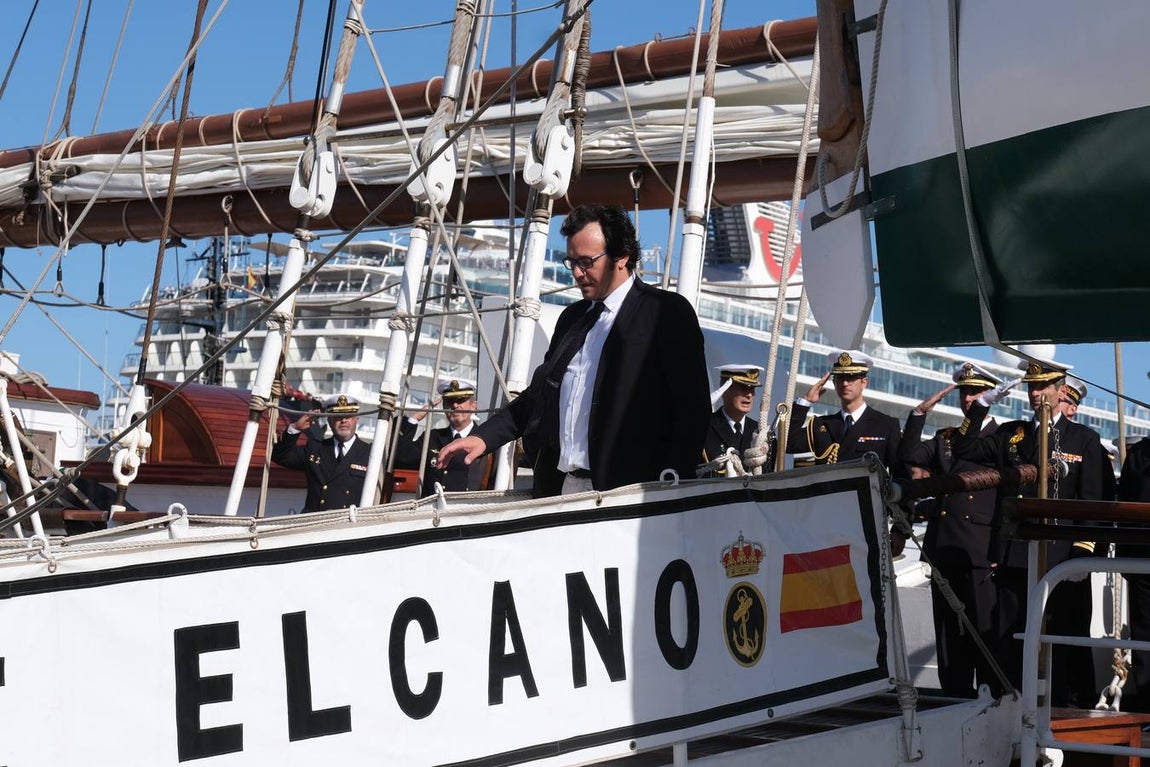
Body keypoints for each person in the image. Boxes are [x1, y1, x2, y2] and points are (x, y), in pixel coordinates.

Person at [435, 203, 710, 497]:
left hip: (631, 494)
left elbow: (692, 410)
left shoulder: (665, 313)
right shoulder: (573, 319)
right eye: (572, 262)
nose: (577, 273)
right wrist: (482, 438)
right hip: (562, 489)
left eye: (587, 262)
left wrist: (670, 487)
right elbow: (537, 398)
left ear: (622, 256)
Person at [951, 358, 1108, 706]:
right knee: (1011, 637)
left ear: (1060, 390)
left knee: (1065, 638)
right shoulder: (1012, 434)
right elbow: (964, 450)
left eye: (1043, 387)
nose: (1036, 394)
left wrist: (1084, 554)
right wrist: (981, 406)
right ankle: (1012, 707)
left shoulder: (1084, 440)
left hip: (1064, 560)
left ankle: (1068, 710)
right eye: (1031, 387)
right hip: (1017, 555)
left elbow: (1093, 501)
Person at [898, 361, 1003, 697]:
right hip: (944, 546)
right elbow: (909, 455)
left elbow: (1008, 497)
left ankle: (991, 699)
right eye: (965, 391)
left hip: (980, 549)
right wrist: (918, 414)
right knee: (948, 634)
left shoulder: (1002, 439)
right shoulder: (946, 438)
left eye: (976, 391)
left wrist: (1000, 548)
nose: (969, 398)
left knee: (983, 631)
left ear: (989, 396)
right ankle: (954, 697)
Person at [785, 350, 902, 469]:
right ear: (834, 383)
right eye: (840, 378)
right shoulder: (821, 425)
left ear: (864, 382)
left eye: (851, 378)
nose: (845, 383)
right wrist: (805, 402)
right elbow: (787, 444)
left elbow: (898, 473)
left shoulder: (886, 425)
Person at [271, 393, 371, 513]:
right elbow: (280, 456)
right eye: (337, 416)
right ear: (329, 420)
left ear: (356, 419)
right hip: (314, 523)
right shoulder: (315, 449)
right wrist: (296, 427)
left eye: (348, 416)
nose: (343, 421)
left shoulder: (370, 454)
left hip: (349, 526)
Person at [396, 379, 491, 496]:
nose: (455, 405)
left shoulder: (485, 438)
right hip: (432, 510)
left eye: (460, 400)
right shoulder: (431, 438)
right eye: (449, 401)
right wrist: (415, 418)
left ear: (473, 406)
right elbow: (401, 457)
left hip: (468, 511)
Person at [1117, 437, 1150, 711]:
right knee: (1144, 636)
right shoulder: (1139, 454)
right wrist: (1126, 558)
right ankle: (1147, 707)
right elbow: (1125, 502)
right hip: (1142, 560)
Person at [702, 364, 762, 475]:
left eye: (752, 389)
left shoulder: (759, 432)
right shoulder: (705, 426)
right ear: (725, 389)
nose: (749, 394)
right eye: (743, 387)